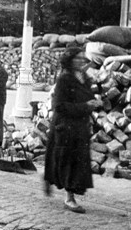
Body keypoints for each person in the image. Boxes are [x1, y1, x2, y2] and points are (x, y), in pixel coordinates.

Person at [44, 48, 103, 213]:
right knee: (69, 160)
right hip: (66, 126)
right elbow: (59, 106)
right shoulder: (64, 79)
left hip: (80, 125)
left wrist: (94, 103)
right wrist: (86, 106)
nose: (81, 61)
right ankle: (69, 199)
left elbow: (86, 97)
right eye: (77, 58)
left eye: (82, 58)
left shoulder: (84, 78)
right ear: (69, 60)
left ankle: (57, 185)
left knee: (76, 160)